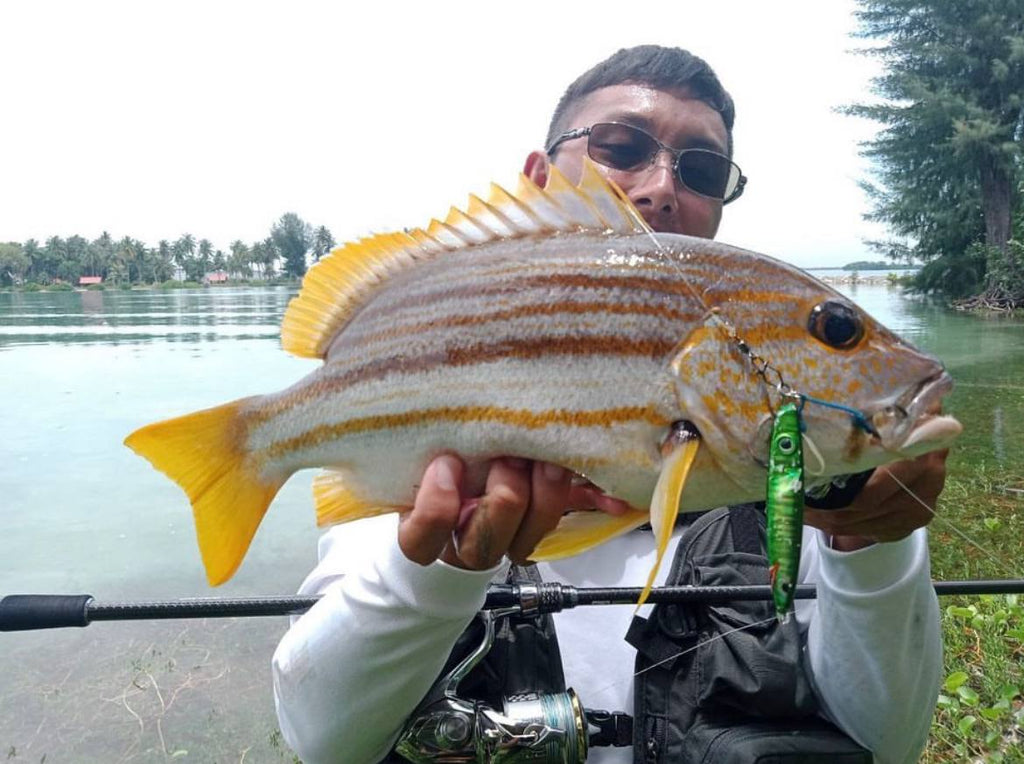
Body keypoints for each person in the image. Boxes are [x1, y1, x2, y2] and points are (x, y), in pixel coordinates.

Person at [272, 45, 947, 764]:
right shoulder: (427, 424)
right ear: (539, 178)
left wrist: (873, 545)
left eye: (702, 169)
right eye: (620, 149)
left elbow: (892, 742)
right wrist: (434, 568)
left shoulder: (793, 467)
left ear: (718, 204)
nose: (661, 187)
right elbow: (323, 741)